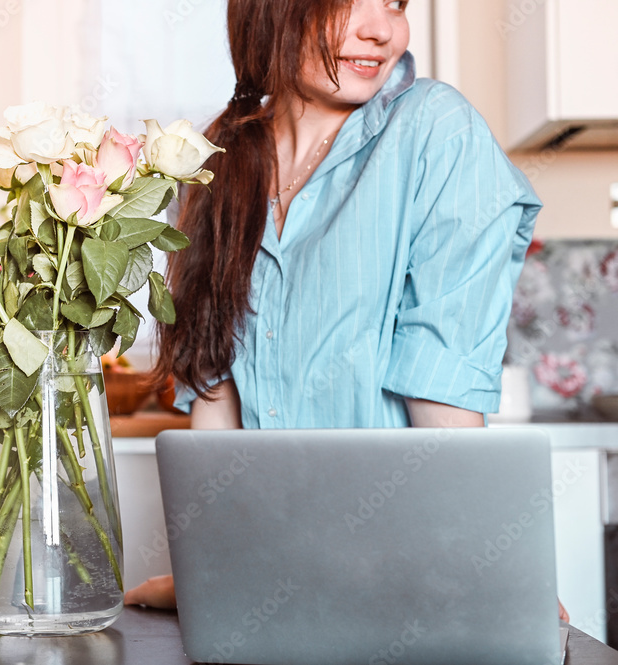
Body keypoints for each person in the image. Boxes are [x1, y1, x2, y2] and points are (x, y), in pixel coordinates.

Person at [125, 0, 553, 613]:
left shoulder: (435, 129)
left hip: (413, 580)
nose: (382, 30)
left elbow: (442, 391)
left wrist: (490, 576)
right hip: (269, 587)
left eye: (396, 4)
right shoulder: (213, 163)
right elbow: (216, 411)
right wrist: (209, 575)